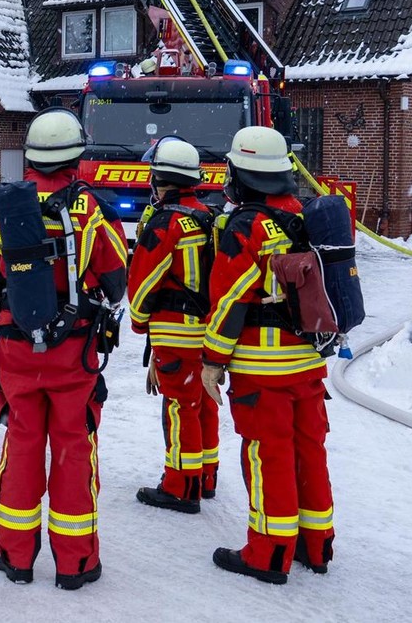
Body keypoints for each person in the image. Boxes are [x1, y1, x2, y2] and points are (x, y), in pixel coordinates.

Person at [0, 107, 128, 590]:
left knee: (22, 445)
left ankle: (15, 555)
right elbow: (116, 279)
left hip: (18, 350)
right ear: (75, 156)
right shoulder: (92, 209)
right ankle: (76, 563)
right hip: (74, 350)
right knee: (74, 448)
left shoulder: (6, 209)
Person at [201, 125, 334, 584]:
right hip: (308, 360)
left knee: (268, 455)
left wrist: (213, 360)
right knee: (309, 451)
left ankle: (268, 553)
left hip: (263, 367)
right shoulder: (305, 215)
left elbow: (229, 300)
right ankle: (316, 545)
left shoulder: (246, 226)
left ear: (241, 174)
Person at [127, 138, 219, 513]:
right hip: (208, 332)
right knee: (204, 403)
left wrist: (138, 322)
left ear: (161, 180)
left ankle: (181, 487)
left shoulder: (166, 223)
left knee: (180, 407)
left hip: (176, 331)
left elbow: (143, 281)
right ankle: (206, 476)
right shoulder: (209, 216)